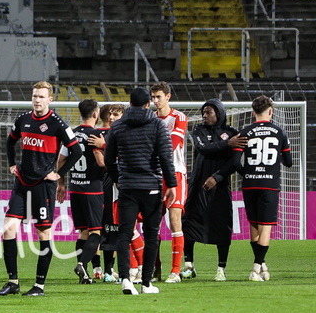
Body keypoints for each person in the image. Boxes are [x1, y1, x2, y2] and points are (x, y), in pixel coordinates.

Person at [0, 81, 83, 297]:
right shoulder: (23, 120)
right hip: (22, 183)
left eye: (41, 97)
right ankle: (13, 282)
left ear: (50, 100)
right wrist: (12, 163)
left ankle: (39, 286)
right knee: (8, 230)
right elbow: (10, 141)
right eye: (34, 96)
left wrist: (59, 174)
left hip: (43, 186)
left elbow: (77, 151)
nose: (37, 100)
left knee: (43, 234)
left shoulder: (58, 124)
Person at [103, 87, 176, 295]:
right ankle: (146, 283)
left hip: (127, 187)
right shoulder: (157, 125)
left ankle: (126, 279)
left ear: (130, 103)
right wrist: (171, 185)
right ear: (148, 104)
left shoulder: (117, 127)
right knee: (151, 234)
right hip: (151, 187)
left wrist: (119, 180)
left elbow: (109, 160)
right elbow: (165, 158)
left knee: (124, 234)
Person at [182, 99, 245, 281]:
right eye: (203, 112)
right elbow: (204, 148)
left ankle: (221, 269)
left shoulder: (232, 133)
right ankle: (189, 266)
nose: (204, 115)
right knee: (189, 222)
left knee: (222, 226)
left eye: (209, 112)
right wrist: (227, 144)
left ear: (219, 113)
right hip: (197, 184)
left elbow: (234, 163)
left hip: (221, 186)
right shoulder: (199, 130)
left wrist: (218, 177)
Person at [233, 95, 292, 281]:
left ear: (253, 112)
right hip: (269, 185)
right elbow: (289, 162)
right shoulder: (280, 132)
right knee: (265, 229)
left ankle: (263, 265)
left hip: (250, 185)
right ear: (271, 111)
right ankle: (256, 268)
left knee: (254, 226)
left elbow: (235, 163)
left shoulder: (244, 132)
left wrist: (248, 173)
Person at [57, 98, 106, 284]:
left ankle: (83, 274)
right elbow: (101, 162)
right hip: (92, 189)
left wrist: (61, 183)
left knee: (83, 232)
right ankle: (82, 265)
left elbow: (61, 160)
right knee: (96, 232)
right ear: (95, 114)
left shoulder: (72, 134)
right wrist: (106, 149)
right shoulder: (95, 135)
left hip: (75, 188)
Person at [149, 82, 189, 283]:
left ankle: (175, 271)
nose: (155, 101)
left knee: (175, 222)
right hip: (154, 175)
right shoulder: (149, 118)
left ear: (168, 96)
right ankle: (155, 269)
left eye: (158, 97)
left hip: (175, 175)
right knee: (153, 225)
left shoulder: (178, 117)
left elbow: (171, 145)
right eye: (153, 97)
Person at [92, 103, 125, 281]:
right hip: (106, 185)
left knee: (120, 229)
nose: (112, 118)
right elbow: (103, 162)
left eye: (116, 115)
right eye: (110, 115)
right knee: (107, 228)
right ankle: (105, 270)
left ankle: (115, 270)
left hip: (122, 184)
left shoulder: (123, 134)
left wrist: (104, 145)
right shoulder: (101, 134)